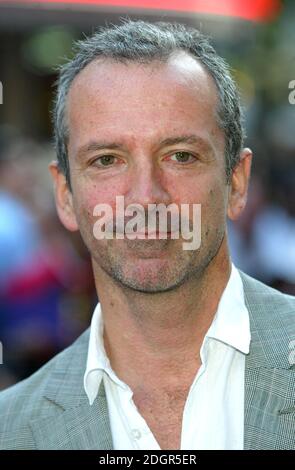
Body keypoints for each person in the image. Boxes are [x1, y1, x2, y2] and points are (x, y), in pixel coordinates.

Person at [0, 20, 294, 451]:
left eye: (179, 155)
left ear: (237, 182)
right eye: (106, 160)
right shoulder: (11, 431)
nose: (144, 198)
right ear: (64, 196)